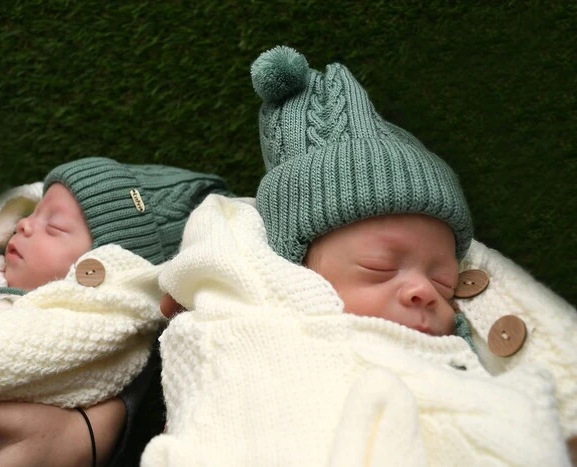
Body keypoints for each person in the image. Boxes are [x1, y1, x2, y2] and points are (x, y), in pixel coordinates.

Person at [144, 47, 575, 465]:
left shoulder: (461, 354)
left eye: (445, 282)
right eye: (380, 268)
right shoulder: (266, 326)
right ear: (295, 270)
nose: (425, 290)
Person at [0, 156, 230, 466]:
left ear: (100, 269)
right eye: (33, 213)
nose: (24, 224)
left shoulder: (77, 323)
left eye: (54, 226)